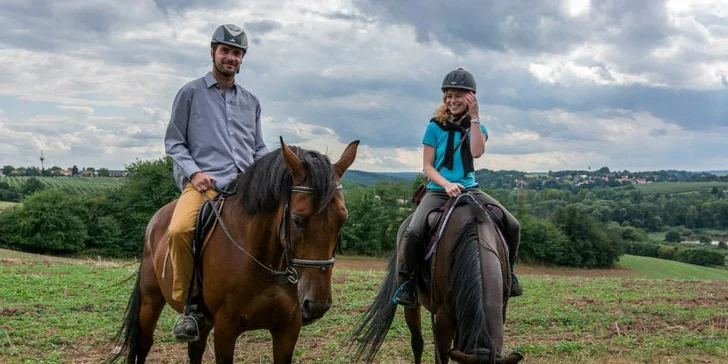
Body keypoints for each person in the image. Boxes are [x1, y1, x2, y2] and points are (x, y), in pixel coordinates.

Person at [163, 23, 269, 342]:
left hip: (245, 185)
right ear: (213, 53)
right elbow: (174, 142)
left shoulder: (251, 101)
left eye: (237, 53)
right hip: (204, 185)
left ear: (242, 59)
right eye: (225, 51)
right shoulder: (190, 92)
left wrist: (270, 167)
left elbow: (259, 146)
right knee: (179, 230)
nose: (231, 58)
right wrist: (194, 173)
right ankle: (191, 306)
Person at [394, 68, 523, 308]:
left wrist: (475, 118)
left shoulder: (479, 128)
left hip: (470, 189)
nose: (452, 100)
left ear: (471, 97)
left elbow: (476, 152)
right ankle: (407, 282)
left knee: (513, 224)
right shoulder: (434, 127)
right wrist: (446, 183)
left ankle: (510, 273)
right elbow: (428, 167)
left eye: (458, 95)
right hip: (438, 190)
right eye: (448, 95)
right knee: (412, 232)